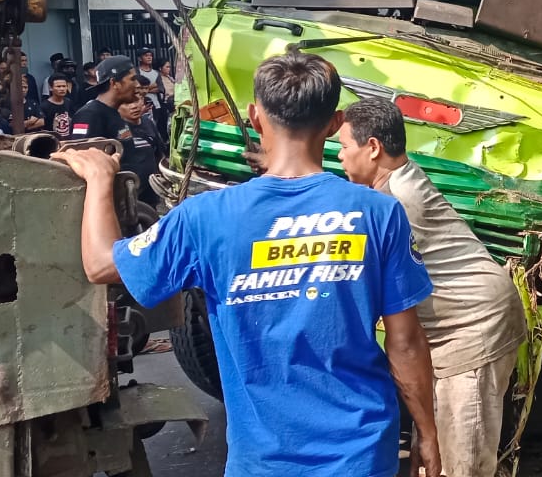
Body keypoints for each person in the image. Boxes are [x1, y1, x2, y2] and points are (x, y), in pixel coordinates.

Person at [50, 52, 442, 477]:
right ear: (334, 124)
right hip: (361, 454)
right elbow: (405, 343)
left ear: (256, 118)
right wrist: (428, 432)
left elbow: (101, 264)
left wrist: (100, 180)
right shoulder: (378, 213)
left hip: (263, 461)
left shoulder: (205, 216)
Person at [338, 97, 526, 477]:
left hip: (475, 326)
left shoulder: (397, 202)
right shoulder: (394, 183)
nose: (340, 157)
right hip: (462, 320)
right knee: (436, 452)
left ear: (373, 148)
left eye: (343, 147)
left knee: (462, 461)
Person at [69, 56, 160, 207]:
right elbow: (84, 164)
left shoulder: (114, 113)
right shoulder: (89, 115)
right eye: (132, 79)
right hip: (111, 205)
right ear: (114, 83)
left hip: (133, 201)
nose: (137, 84)